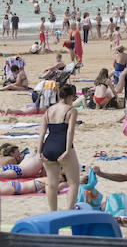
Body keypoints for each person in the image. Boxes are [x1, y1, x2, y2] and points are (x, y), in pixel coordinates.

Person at [39, 83, 79, 211]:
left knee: (51, 183)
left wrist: (40, 151)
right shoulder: (71, 110)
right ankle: (67, 212)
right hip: (62, 145)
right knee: (73, 182)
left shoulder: (49, 111)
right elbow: (70, 132)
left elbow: (42, 132)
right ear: (70, 97)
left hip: (48, 146)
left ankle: (53, 212)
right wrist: (67, 150)